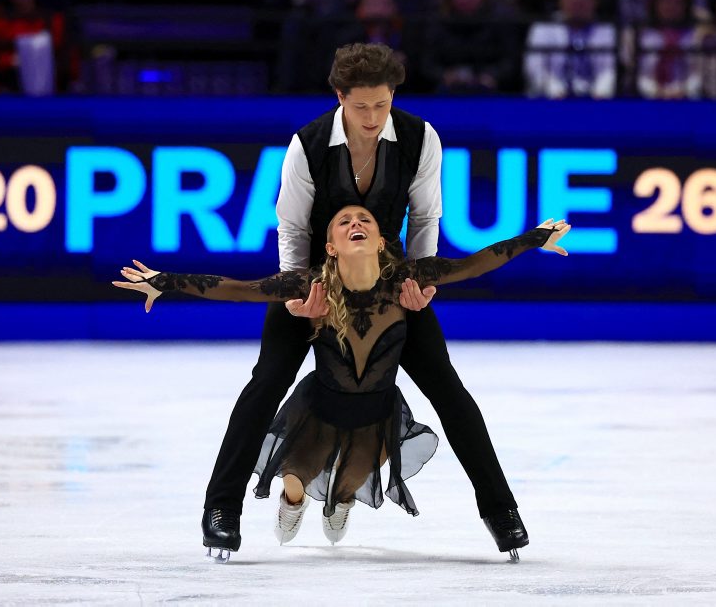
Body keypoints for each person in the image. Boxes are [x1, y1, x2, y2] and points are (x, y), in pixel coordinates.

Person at [193, 42, 540, 562]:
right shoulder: (308, 145)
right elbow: (292, 227)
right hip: (315, 282)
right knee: (265, 383)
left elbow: (425, 218)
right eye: (361, 106)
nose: (373, 117)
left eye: (382, 104)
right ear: (340, 98)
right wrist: (298, 295)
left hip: (388, 284)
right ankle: (221, 509)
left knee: (448, 389)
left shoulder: (420, 138)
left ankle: (501, 511)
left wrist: (419, 284)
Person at [113, 207, 571, 562]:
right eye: (345, 221)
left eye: (365, 220)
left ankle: (480, 509)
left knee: (352, 485)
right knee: (297, 474)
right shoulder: (308, 285)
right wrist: (165, 281)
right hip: (321, 404)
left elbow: (475, 264)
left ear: (381, 241)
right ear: (330, 246)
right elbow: (237, 288)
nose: (356, 223)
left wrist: (535, 239)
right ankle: (282, 501)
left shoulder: (408, 279)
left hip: (376, 408)